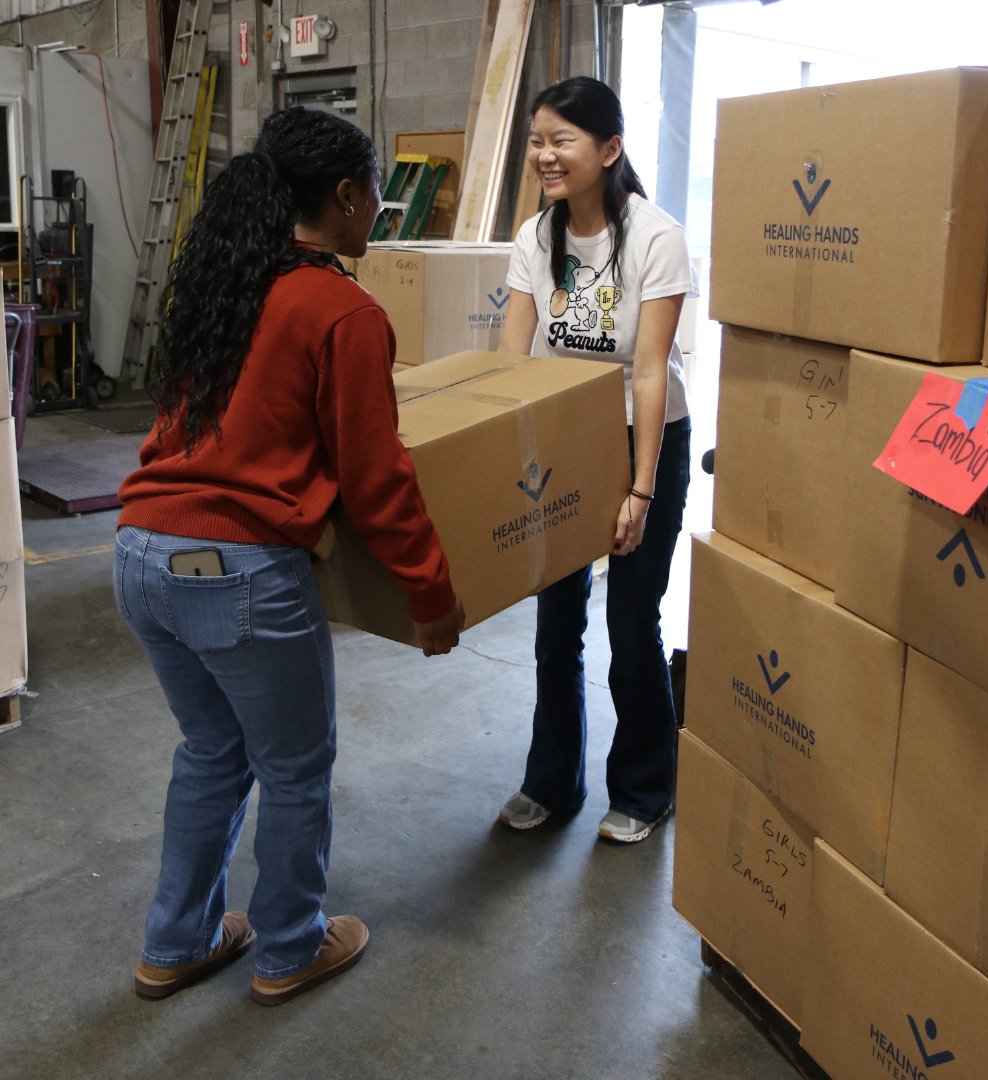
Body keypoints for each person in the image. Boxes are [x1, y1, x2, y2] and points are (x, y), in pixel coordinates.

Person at [114, 107, 465, 1006]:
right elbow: (376, 478)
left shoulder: (229, 279)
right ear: (345, 197)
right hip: (231, 571)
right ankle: (287, 949)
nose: (381, 206)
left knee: (211, 751)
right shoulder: (342, 309)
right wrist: (431, 595)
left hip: (140, 553)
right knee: (295, 766)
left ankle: (176, 942)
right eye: (375, 191)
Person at [496, 77, 694, 844]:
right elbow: (511, 361)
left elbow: (648, 371)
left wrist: (640, 491)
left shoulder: (654, 236)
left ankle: (645, 787)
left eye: (561, 140)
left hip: (646, 441)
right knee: (556, 622)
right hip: (566, 446)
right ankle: (552, 781)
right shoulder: (532, 238)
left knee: (631, 620)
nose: (545, 154)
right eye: (537, 139)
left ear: (609, 148)